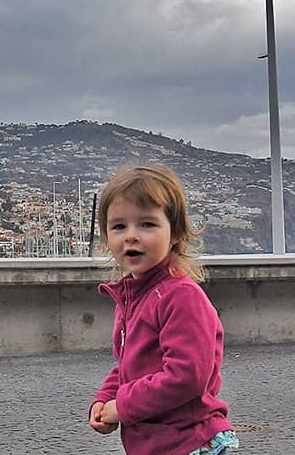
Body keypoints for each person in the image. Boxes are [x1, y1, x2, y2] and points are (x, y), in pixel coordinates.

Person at [88, 165, 238, 455]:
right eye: (119, 226)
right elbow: (131, 367)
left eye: (147, 224)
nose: (131, 235)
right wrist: (105, 398)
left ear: (175, 233)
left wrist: (122, 406)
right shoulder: (134, 296)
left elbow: (186, 376)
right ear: (106, 237)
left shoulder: (181, 296)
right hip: (157, 443)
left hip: (188, 441)